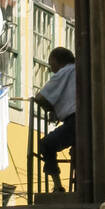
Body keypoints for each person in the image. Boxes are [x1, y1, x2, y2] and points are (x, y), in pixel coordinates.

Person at [35, 47, 76, 193]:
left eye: (52, 65)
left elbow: (40, 98)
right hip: (86, 120)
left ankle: (58, 186)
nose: (52, 70)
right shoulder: (78, 70)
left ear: (58, 61)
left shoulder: (65, 72)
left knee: (46, 145)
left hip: (74, 121)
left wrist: (51, 109)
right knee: (78, 152)